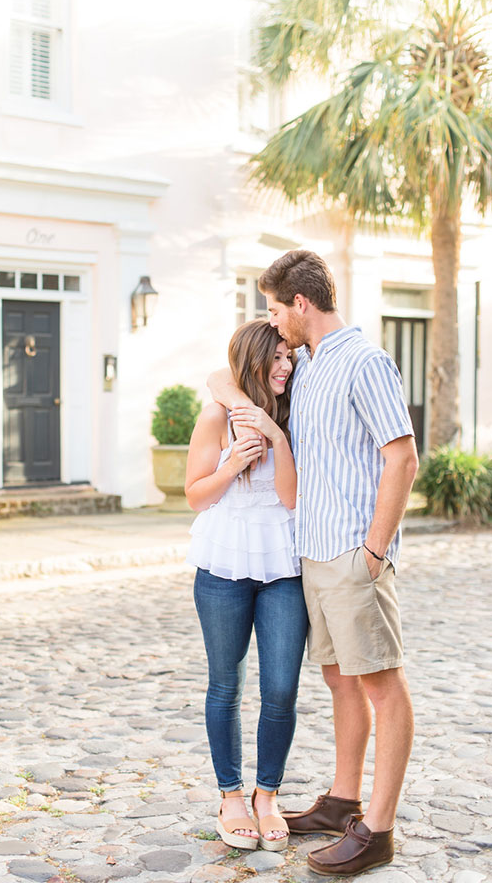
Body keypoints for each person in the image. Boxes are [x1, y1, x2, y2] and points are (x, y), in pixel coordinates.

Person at [208, 250, 418, 876]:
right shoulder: (310, 364)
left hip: (354, 552)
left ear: (300, 305)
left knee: (383, 683)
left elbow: (401, 457)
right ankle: (342, 799)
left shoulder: (364, 361)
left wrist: (375, 549)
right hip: (313, 553)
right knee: (338, 679)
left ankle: (376, 829)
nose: (273, 322)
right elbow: (226, 377)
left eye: (275, 309)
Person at [185, 319, 309, 853]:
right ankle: (231, 796)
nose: (285, 366)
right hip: (221, 564)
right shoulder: (216, 416)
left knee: (281, 689)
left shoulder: (294, 410)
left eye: (289, 357)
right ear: (253, 362)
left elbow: (290, 499)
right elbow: (194, 495)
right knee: (225, 685)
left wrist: (277, 435)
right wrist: (233, 463)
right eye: (276, 358)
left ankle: (268, 796)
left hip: (282, 562)